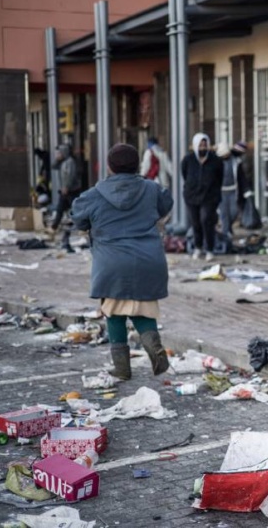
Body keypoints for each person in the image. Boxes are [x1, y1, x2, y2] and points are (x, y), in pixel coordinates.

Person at [71, 143, 172, 380]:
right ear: (137, 165)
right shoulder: (152, 189)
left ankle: (122, 368)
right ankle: (154, 345)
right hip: (148, 259)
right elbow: (165, 205)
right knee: (143, 308)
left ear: (109, 166)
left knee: (114, 311)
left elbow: (78, 218)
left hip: (111, 263)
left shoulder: (95, 194)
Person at [181, 132, 222, 261]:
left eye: (205, 145)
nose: (203, 148)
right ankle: (198, 247)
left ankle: (210, 249)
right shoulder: (188, 160)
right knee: (195, 222)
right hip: (192, 196)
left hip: (209, 197)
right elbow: (185, 174)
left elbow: (219, 178)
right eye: (200, 145)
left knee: (206, 220)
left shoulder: (215, 160)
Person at [216, 142, 252, 243]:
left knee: (233, 212)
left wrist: (246, 191)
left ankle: (228, 228)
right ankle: (225, 232)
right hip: (222, 190)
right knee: (224, 213)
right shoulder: (217, 162)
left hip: (233, 190)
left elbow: (241, 177)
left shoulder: (235, 162)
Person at [50, 144, 82, 252]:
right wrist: (57, 159)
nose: (58, 155)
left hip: (71, 190)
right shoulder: (62, 162)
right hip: (65, 190)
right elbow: (53, 166)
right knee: (59, 209)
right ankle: (54, 227)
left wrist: (66, 186)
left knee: (75, 209)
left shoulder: (70, 162)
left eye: (59, 153)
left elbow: (70, 175)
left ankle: (81, 226)